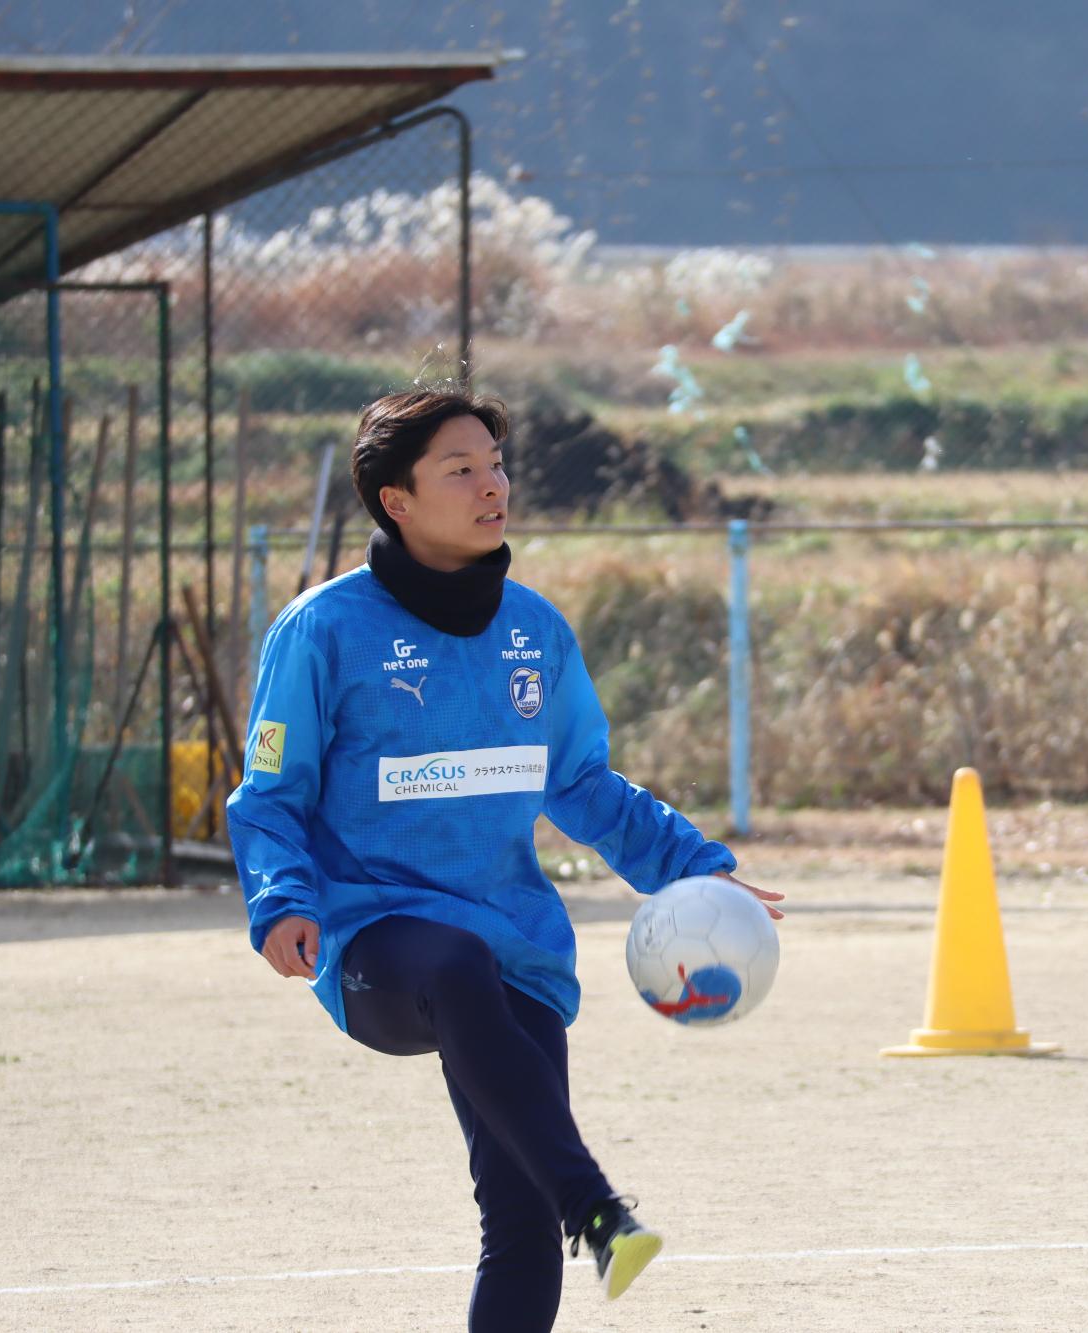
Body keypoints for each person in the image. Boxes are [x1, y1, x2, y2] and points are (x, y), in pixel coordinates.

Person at [227, 385, 782, 1331]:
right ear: (396, 500)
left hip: (514, 943)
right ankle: (596, 1207)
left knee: (519, 1222)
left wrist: (692, 864)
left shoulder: (534, 629)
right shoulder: (321, 630)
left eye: (496, 465)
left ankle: (571, 1209)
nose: (494, 485)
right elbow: (270, 794)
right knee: (455, 961)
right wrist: (281, 899)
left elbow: (585, 785)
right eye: (461, 470)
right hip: (376, 941)